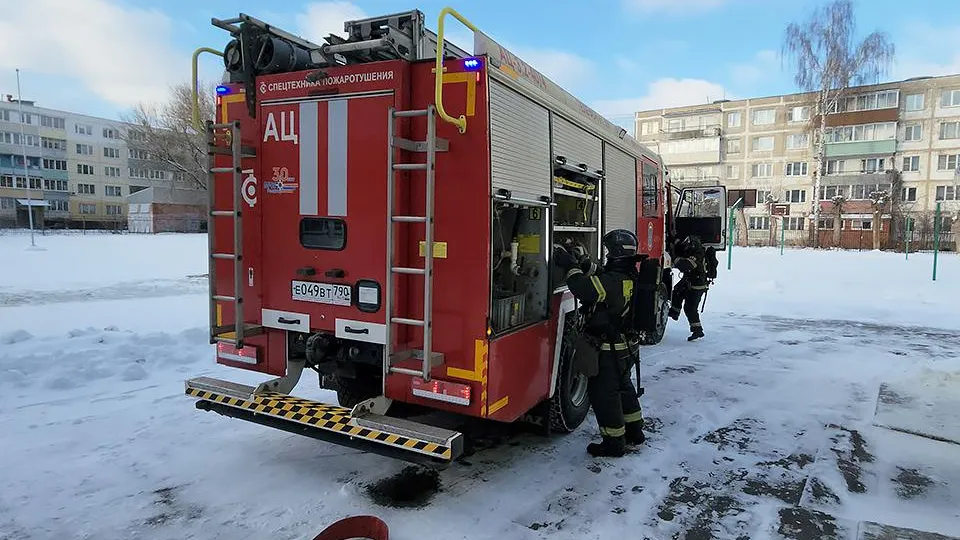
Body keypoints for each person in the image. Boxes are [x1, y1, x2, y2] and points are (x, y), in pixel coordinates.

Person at [553, 230, 645, 458]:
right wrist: (583, 262)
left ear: (615, 253)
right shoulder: (628, 276)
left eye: (608, 252)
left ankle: (613, 444)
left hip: (609, 351)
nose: (606, 255)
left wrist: (570, 266)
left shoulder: (613, 282)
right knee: (624, 388)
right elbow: (600, 275)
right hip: (626, 349)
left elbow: (583, 288)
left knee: (605, 396)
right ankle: (635, 431)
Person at [669, 235, 715, 341]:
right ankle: (674, 312)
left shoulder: (697, 254)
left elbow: (686, 265)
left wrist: (675, 258)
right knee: (677, 291)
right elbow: (681, 249)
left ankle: (697, 331)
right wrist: (675, 242)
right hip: (690, 281)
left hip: (697, 285)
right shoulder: (693, 251)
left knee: (690, 308)